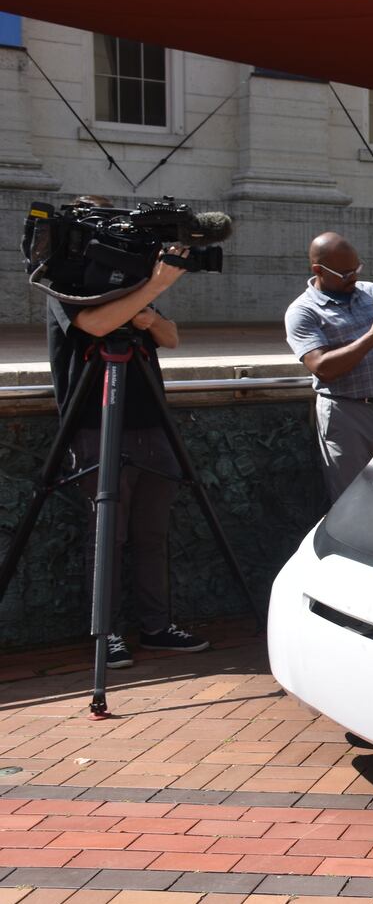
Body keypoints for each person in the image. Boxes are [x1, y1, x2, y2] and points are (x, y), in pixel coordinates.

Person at [46, 233, 211, 670]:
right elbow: (95, 326)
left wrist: (149, 314)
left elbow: (170, 336)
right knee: (108, 536)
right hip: (93, 426)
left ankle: (157, 628)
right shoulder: (62, 285)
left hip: (151, 424)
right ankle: (108, 632)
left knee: (152, 535)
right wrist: (155, 287)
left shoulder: (132, 284)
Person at [285, 232, 373, 504]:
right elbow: (322, 367)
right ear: (318, 270)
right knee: (353, 499)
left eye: (356, 269)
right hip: (347, 413)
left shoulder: (372, 292)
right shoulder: (302, 311)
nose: (353, 277)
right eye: (344, 273)